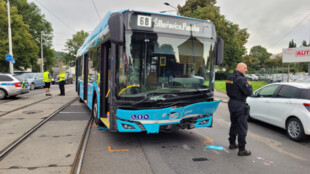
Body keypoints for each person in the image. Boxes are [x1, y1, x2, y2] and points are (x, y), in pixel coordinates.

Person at [226, 62, 253, 156]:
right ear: (240, 68)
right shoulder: (241, 79)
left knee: (234, 124)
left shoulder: (230, 77)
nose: (246, 70)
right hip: (239, 104)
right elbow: (249, 92)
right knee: (242, 127)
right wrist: (249, 85)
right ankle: (242, 149)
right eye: (245, 68)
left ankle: (232, 143)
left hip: (231, 103)